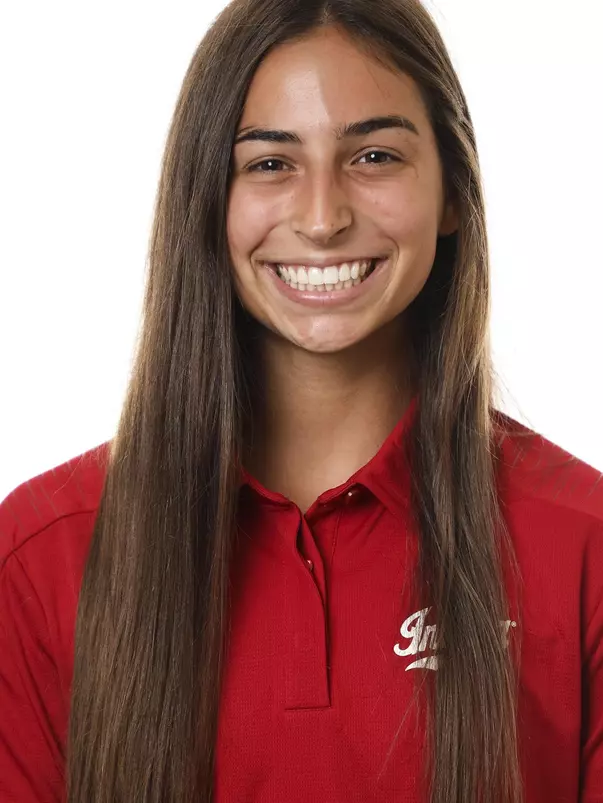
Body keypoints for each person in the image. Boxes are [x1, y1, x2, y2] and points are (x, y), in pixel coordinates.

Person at [1, 0, 602, 801]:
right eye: (270, 164)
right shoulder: (43, 556)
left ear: (453, 193)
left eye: (375, 155)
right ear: (204, 203)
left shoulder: (581, 543)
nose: (322, 218)